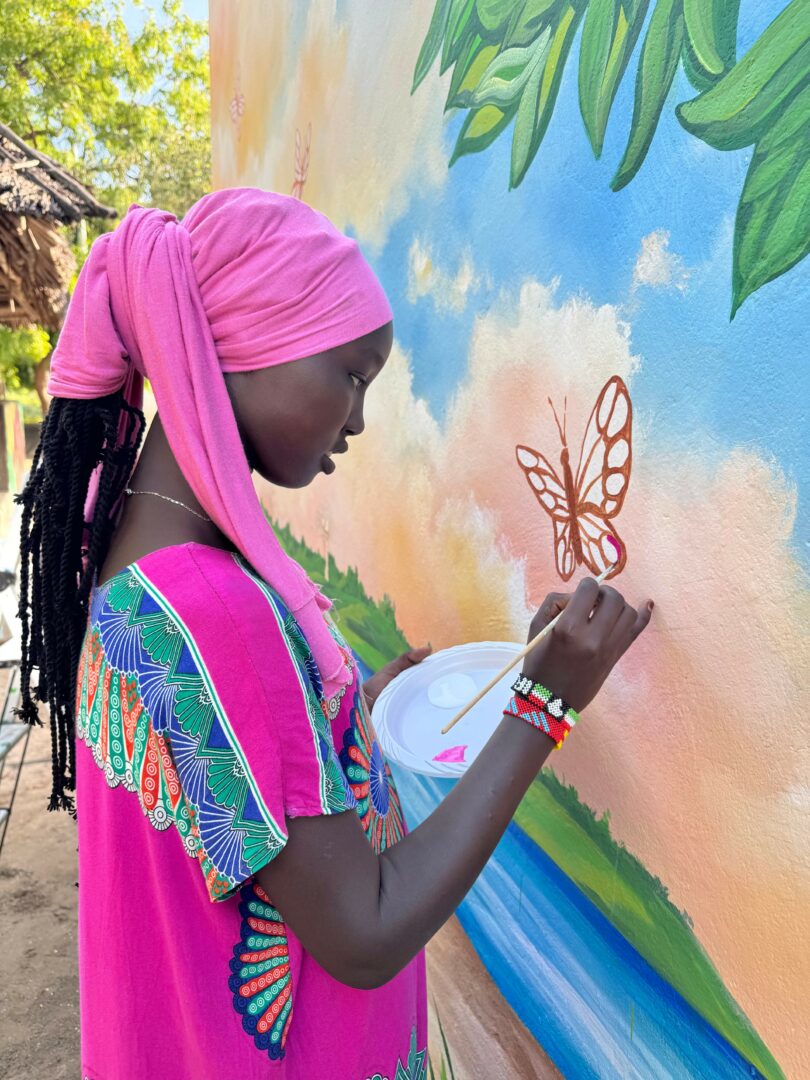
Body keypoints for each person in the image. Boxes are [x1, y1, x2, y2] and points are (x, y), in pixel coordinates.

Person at [15, 188, 653, 1079]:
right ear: (239, 347)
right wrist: (544, 707)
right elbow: (366, 931)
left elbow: (225, 775)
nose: (357, 420)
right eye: (352, 375)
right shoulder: (219, 610)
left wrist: (338, 720)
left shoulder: (135, 558)